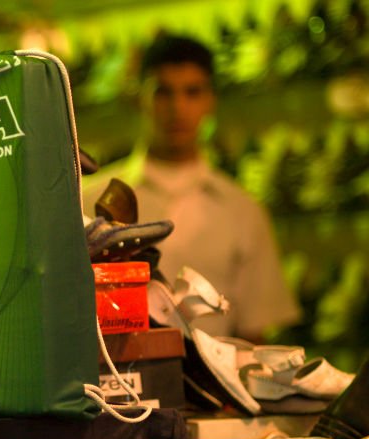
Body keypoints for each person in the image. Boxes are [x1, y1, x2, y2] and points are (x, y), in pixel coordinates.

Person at [82, 34, 300, 341]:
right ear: (138, 97)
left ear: (210, 100)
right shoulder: (89, 200)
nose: (177, 107)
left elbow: (254, 336)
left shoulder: (244, 212)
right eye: (163, 92)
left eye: (192, 92)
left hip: (213, 385)